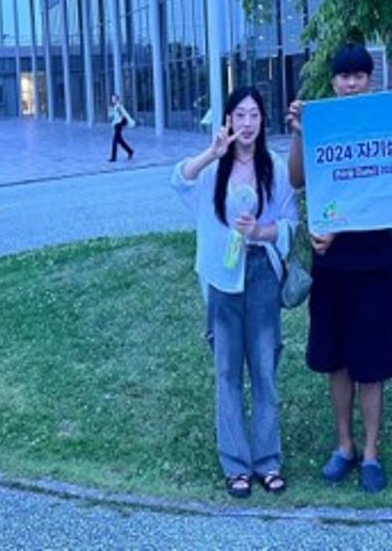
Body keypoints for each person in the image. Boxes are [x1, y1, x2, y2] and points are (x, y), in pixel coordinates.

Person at [172, 86, 298, 499]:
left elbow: (291, 221)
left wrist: (260, 231)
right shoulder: (214, 168)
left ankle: (267, 460)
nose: (247, 123)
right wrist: (212, 152)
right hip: (222, 278)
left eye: (254, 115)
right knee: (227, 371)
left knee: (264, 368)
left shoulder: (274, 166)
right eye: (239, 115)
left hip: (261, 274)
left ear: (263, 120)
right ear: (228, 120)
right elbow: (179, 180)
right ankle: (235, 465)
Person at [287, 43, 392, 494]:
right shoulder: (322, 122)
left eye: (359, 75)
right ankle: (344, 445)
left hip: (373, 261)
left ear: (370, 80)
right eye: (344, 76)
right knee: (336, 360)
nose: (351, 83)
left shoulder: (383, 123)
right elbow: (297, 179)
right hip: (330, 264)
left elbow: (388, 188)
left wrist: (345, 227)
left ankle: (371, 451)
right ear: (332, 81)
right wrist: (299, 133)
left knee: (371, 362)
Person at [107, 93, 134, 162]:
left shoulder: (119, 107)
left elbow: (125, 114)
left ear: (117, 99)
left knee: (114, 141)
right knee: (120, 141)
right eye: (112, 98)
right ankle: (130, 151)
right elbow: (112, 118)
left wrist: (130, 121)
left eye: (114, 98)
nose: (113, 100)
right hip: (116, 125)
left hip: (119, 125)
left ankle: (113, 158)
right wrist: (110, 113)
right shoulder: (114, 107)